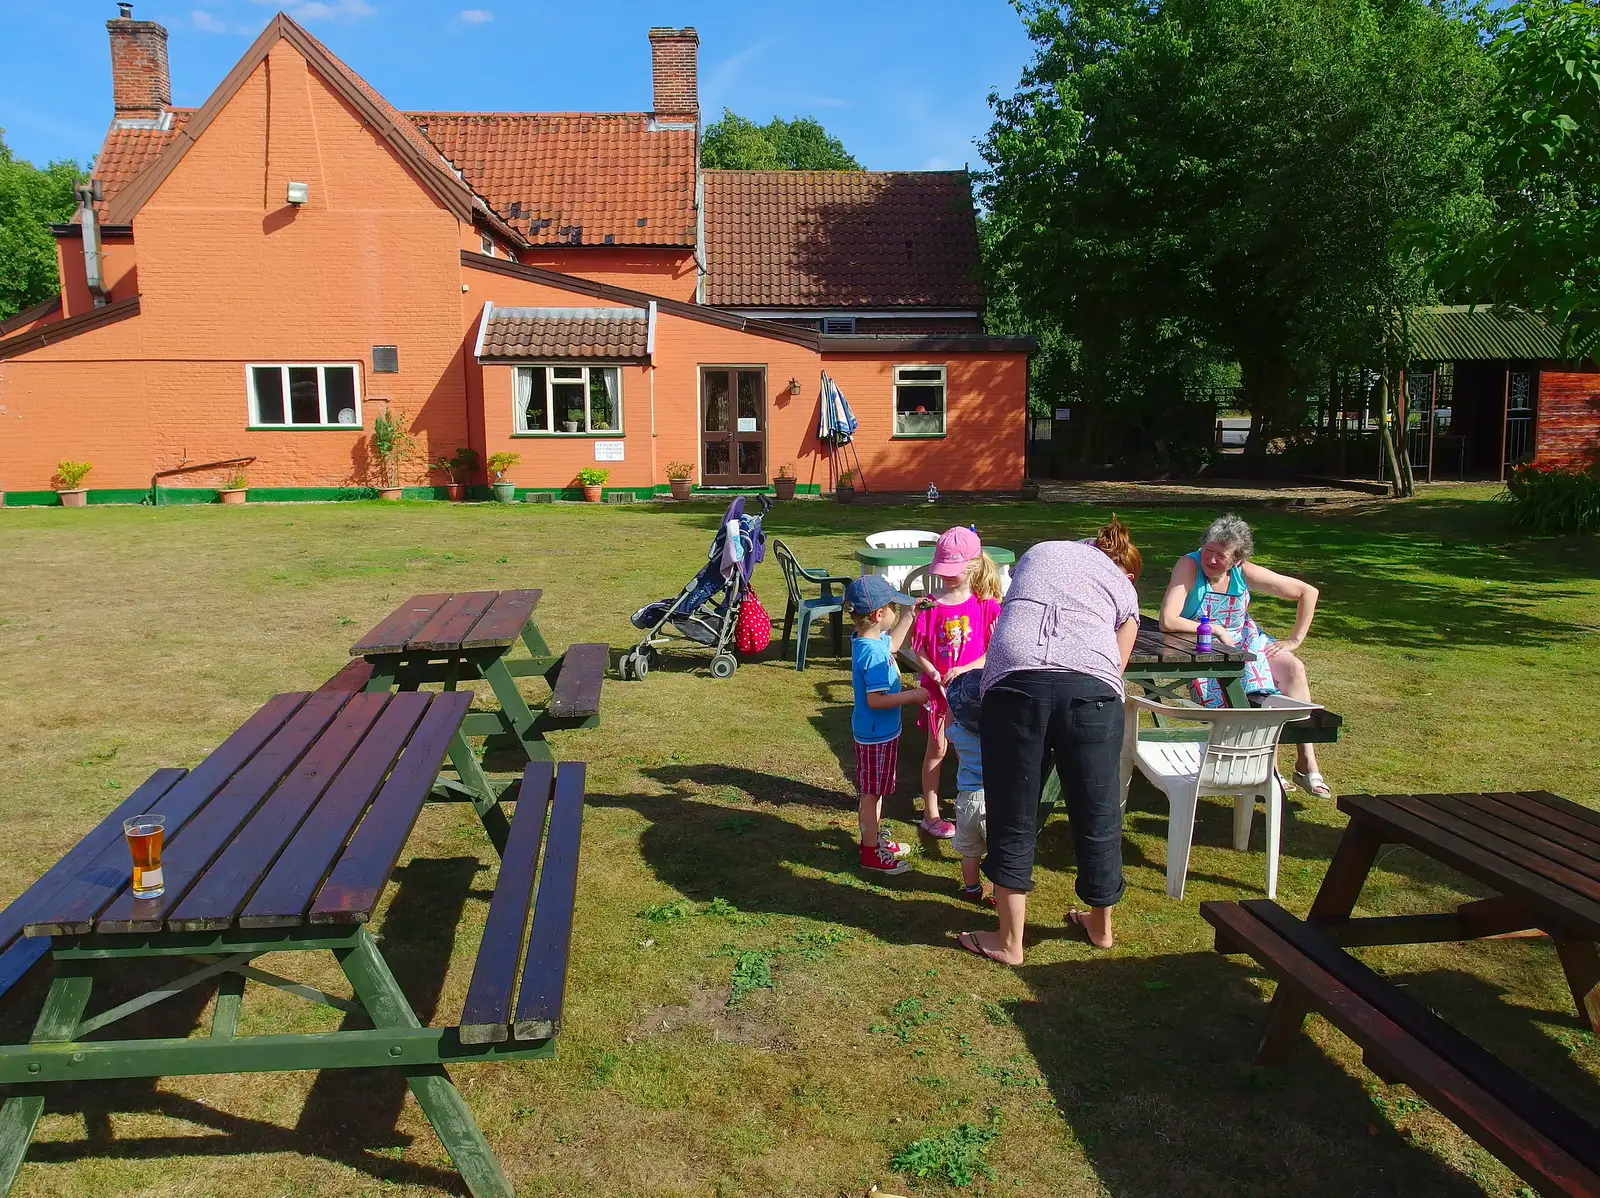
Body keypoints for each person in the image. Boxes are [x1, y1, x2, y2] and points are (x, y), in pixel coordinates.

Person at [960, 537, 1142, 964]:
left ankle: (1009, 942)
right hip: (1091, 690)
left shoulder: (1039, 552)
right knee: (1098, 810)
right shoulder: (1121, 585)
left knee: (1013, 812)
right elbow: (1118, 661)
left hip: (1016, 682)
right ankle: (1100, 927)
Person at [1157, 514, 1329, 798]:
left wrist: (1295, 640)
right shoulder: (1189, 565)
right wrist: (1215, 630)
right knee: (1245, 691)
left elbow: (1307, 592)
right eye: (1207, 551)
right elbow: (1168, 619)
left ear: (1237, 560)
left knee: (1294, 669)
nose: (1210, 560)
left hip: (1246, 640)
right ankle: (1265, 766)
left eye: (1220, 556)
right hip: (1202, 646)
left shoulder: (1243, 572)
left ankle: (1306, 761)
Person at [905, 528, 1004, 840]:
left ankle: (973, 810)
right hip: (938, 695)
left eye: (954, 571)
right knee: (936, 749)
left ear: (973, 566)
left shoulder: (985, 605)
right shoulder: (931, 605)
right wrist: (932, 670)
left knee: (969, 752)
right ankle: (930, 814)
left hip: (972, 696)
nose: (948, 577)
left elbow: (995, 651)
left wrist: (965, 668)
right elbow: (916, 647)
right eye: (943, 570)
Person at [845, 575, 931, 876]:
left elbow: (893, 644)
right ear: (879, 615)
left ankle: (873, 838)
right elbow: (876, 701)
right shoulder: (872, 655)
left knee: (876, 792)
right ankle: (870, 852)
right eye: (894, 606)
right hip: (875, 735)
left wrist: (909, 614)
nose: (897, 609)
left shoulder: (868, 639)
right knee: (871, 795)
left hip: (879, 732)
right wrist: (913, 696)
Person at [943, 671, 990, 905]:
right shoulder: (1000, 736)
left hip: (968, 800)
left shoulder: (957, 733)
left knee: (970, 853)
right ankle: (1000, 894)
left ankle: (972, 888)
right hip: (996, 801)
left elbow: (948, 724)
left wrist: (952, 704)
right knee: (1001, 854)